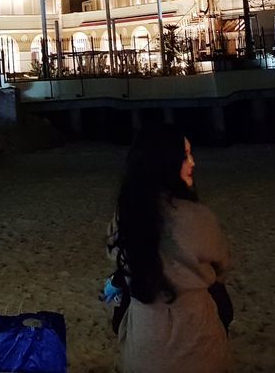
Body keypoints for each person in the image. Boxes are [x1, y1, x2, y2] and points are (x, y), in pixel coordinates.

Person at [107, 128, 232, 372]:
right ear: (166, 163)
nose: (193, 162)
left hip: (144, 337)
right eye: (185, 155)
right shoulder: (197, 217)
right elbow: (221, 267)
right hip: (196, 336)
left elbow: (118, 261)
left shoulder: (124, 217)